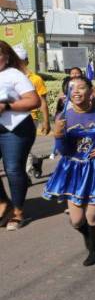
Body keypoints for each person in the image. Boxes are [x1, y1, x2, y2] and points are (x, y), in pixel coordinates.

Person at [43, 77, 95, 266]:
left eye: (81, 87)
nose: (77, 91)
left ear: (90, 90)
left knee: (92, 215)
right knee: (77, 221)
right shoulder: (63, 117)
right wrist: (58, 134)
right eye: (72, 89)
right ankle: (92, 233)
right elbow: (63, 151)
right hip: (72, 170)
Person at [0, 41, 41, 230]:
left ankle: (17, 212)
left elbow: (34, 101)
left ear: (7, 57)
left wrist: (7, 106)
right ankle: (4, 204)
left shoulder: (14, 74)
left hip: (16, 129)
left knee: (13, 169)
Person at [14, 45, 50, 178]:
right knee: (17, 147)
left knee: (22, 147)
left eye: (20, 60)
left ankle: (25, 175)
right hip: (10, 118)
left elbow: (43, 101)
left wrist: (46, 121)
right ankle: (35, 161)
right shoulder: (6, 77)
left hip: (30, 118)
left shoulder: (36, 79)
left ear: (27, 61)